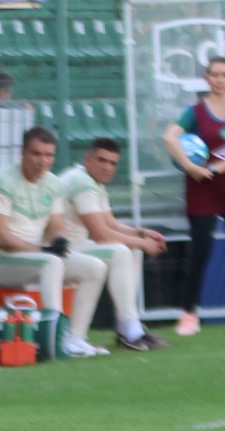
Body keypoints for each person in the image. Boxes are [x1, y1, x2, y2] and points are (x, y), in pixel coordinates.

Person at [0, 124, 107, 357]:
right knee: (51, 263)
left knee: (95, 268)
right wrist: (44, 250)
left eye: (49, 155)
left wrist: (58, 240)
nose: (43, 161)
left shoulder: (53, 183)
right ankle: (55, 338)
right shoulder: (1, 182)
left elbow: (56, 226)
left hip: (35, 255)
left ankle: (75, 338)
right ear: (22, 152)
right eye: (36, 154)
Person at [164, 54, 225, 336]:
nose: (220, 80)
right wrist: (190, 167)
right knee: (200, 251)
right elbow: (169, 138)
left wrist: (214, 170)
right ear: (207, 78)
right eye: (215, 75)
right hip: (202, 188)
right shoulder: (194, 112)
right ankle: (189, 314)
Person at [52, 137, 167, 352]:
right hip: (61, 249)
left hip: (76, 247)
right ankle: (129, 329)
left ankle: (128, 326)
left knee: (131, 249)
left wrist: (142, 234)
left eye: (113, 163)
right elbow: (101, 235)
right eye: (101, 160)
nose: (107, 167)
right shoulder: (81, 182)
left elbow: (110, 223)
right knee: (120, 251)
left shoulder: (92, 181)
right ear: (88, 158)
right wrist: (144, 243)